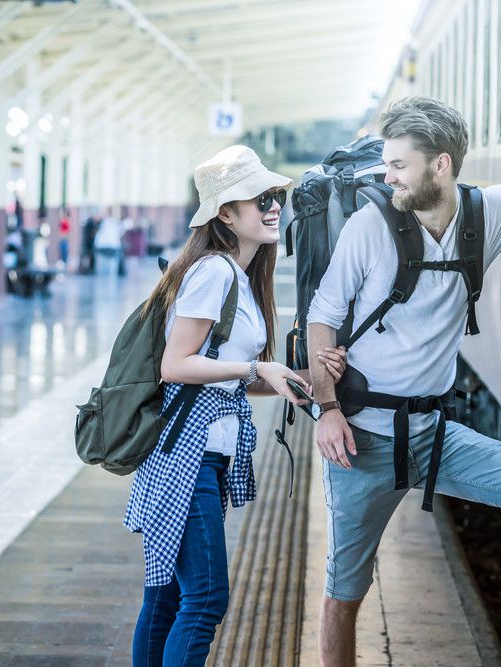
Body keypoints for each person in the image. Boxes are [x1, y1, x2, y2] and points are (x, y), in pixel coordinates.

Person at [306, 97, 501, 667]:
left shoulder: (487, 213)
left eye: (398, 164)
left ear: (441, 165)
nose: (387, 175)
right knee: (344, 593)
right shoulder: (369, 226)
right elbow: (322, 315)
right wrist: (327, 409)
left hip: (431, 432)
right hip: (361, 441)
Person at [123, 145, 347, 666]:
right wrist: (256, 369)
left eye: (275, 197)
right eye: (258, 198)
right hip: (185, 456)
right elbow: (175, 365)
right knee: (203, 601)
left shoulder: (241, 279)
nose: (273, 207)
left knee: (167, 599)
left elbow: (221, 376)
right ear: (225, 213)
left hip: (204, 453)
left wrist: (305, 379)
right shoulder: (214, 272)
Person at [94, 213, 123, 277]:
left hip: (103, 250)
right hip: (112, 249)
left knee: (102, 271)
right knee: (111, 271)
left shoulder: (102, 231)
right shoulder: (113, 230)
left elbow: (97, 243)